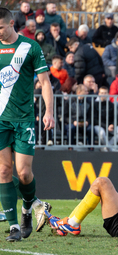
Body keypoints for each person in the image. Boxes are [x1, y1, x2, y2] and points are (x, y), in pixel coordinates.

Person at [0, 7, 55, 241]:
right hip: (1, 119)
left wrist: (49, 112)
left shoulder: (30, 47)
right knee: (4, 171)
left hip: (24, 120)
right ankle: (13, 227)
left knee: (23, 174)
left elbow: (45, 82)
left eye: (0, 27)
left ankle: (27, 210)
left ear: (11, 23)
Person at [93, 86, 118, 151]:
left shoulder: (111, 104)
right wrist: (106, 126)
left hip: (110, 126)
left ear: (108, 94)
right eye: (102, 93)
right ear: (99, 94)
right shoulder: (94, 104)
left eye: (105, 93)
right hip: (98, 125)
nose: (103, 95)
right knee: (102, 133)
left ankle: (106, 147)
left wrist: (112, 125)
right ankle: (110, 148)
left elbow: (116, 116)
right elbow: (94, 119)